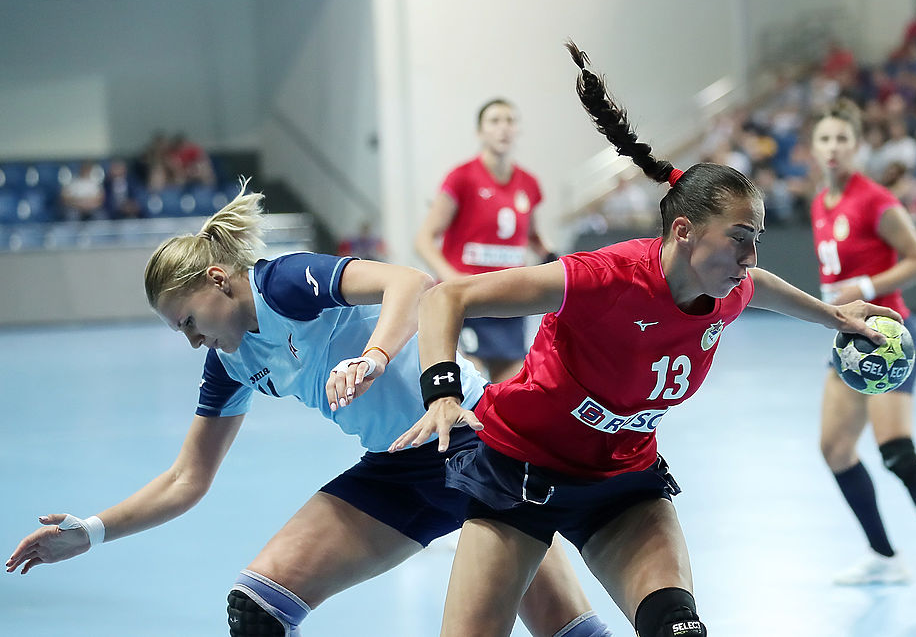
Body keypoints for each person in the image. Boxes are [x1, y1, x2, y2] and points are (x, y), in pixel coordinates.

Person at [389, 42, 904, 637]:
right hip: (520, 473)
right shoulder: (603, 277)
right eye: (740, 238)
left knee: (677, 628)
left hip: (622, 486)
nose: (751, 257)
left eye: (757, 239)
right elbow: (445, 298)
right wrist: (443, 393)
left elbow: (759, 286)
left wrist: (833, 317)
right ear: (684, 232)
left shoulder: (727, 287)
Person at [5, 180, 613, 637]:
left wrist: (373, 358)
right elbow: (186, 478)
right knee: (258, 606)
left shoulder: (284, 284)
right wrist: (92, 532)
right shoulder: (230, 363)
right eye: (179, 332)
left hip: (478, 444)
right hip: (398, 469)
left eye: (188, 321)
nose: (192, 341)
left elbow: (410, 283)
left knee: (568, 632)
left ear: (217, 279)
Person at [809, 98, 916, 597]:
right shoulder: (821, 202)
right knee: (835, 449)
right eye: (825, 139)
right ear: (814, 147)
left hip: (887, 340)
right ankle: (884, 556)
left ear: (858, 146)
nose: (833, 147)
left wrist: (865, 286)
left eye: (843, 138)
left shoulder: (874, 200)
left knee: (896, 450)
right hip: (848, 343)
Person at [415, 98, 557, 383]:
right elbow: (423, 239)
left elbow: (533, 237)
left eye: (510, 121)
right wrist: (452, 278)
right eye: (494, 121)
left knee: (513, 388)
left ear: (517, 130)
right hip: (469, 301)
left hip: (509, 301)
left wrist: (556, 261)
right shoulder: (462, 178)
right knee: (472, 384)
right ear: (480, 132)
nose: (503, 128)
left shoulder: (528, 184)